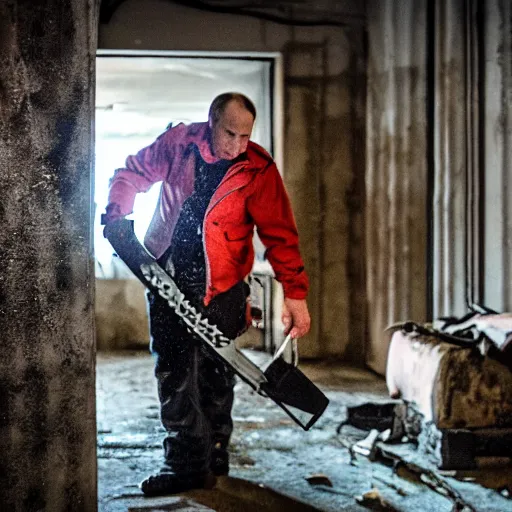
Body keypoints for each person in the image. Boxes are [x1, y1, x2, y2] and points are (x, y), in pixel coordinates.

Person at [103, 92, 311, 496]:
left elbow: (280, 234)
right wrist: (116, 213)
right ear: (211, 122)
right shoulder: (178, 143)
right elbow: (131, 173)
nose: (236, 145)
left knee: (218, 372)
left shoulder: (258, 168)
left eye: (244, 136)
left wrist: (295, 294)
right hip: (169, 273)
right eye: (228, 133)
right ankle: (185, 464)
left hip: (225, 284)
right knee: (177, 372)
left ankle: (216, 452)